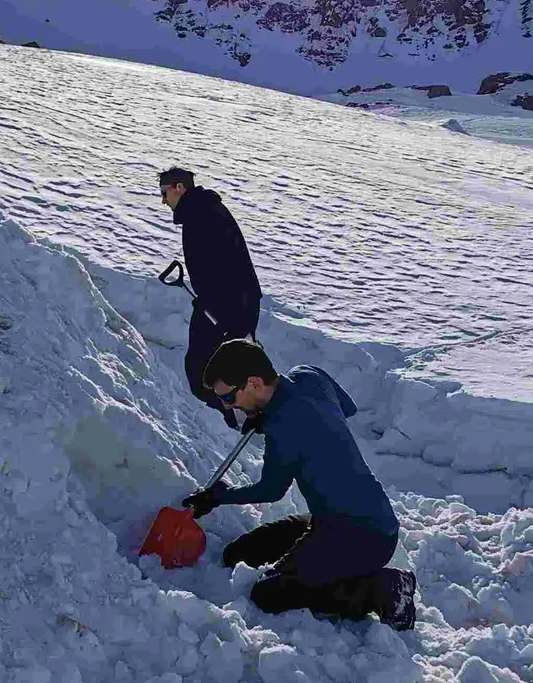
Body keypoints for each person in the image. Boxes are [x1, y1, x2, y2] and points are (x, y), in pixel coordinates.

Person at [182, 339, 416, 630]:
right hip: (338, 518)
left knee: (268, 594)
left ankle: (382, 589)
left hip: (363, 534)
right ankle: (328, 562)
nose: (228, 405)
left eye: (229, 397)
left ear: (254, 382)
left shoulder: (284, 428)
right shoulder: (308, 375)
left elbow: (271, 490)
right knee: (238, 554)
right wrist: (270, 414)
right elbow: (347, 407)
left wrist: (217, 497)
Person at [159, 167, 261, 428]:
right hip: (236, 301)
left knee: (201, 370)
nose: (163, 200)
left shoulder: (199, 214)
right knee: (224, 362)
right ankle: (247, 410)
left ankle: (241, 414)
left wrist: (212, 304)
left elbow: (220, 264)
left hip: (228, 304)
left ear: (179, 187)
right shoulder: (205, 209)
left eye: (164, 193)